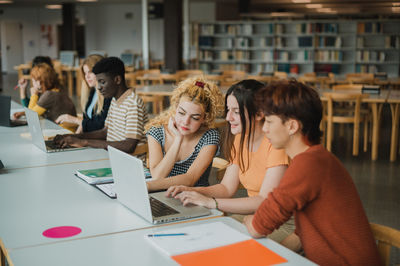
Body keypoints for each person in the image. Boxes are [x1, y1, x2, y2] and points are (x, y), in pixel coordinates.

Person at [243, 79, 381, 265]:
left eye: (268, 121)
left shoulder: (307, 165)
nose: (264, 128)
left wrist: (246, 219)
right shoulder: (316, 158)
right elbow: (302, 234)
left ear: (292, 126)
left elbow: (258, 226)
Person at [167, 80, 294, 247]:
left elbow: (264, 200)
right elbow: (226, 188)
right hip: (256, 216)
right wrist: (192, 191)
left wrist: (211, 202)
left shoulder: (275, 144)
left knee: (229, 246)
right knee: (208, 238)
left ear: (259, 114)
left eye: (236, 111)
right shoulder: (241, 138)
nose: (228, 118)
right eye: (228, 110)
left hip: (285, 223)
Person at [54, 57, 148, 154]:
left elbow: (129, 146)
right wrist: (73, 137)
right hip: (113, 157)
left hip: (128, 164)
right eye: (98, 82)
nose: (98, 87)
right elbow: (105, 132)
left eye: (102, 82)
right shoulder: (115, 100)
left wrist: (84, 142)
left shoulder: (132, 103)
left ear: (117, 79)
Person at [145, 77, 224, 192]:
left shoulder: (210, 137)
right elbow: (157, 176)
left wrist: (148, 186)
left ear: (204, 118)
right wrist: (178, 140)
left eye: (195, 118)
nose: (186, 122)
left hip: (196, 198)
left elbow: (190, 179)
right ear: (175, 108)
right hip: (162, 195)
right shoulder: (156, 131)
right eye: (182, 113)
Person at [55, 54, 112, 133]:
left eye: (90, 72)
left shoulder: (108, 96)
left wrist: (74, 120)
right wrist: (75, 137)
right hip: (89, 138)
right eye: (85, 73)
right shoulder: (93, 92)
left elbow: (100, 125)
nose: (87, 76)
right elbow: (86, 121)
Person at [13, 63, 77, 132]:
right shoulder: (56, 89)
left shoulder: (49, 95)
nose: (33, 83)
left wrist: (34, 95)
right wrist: (23, 113)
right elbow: (35, 109)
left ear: (40, 82)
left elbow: (30, 116)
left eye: (34, 80)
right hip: (64, 130)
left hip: (62, 132)